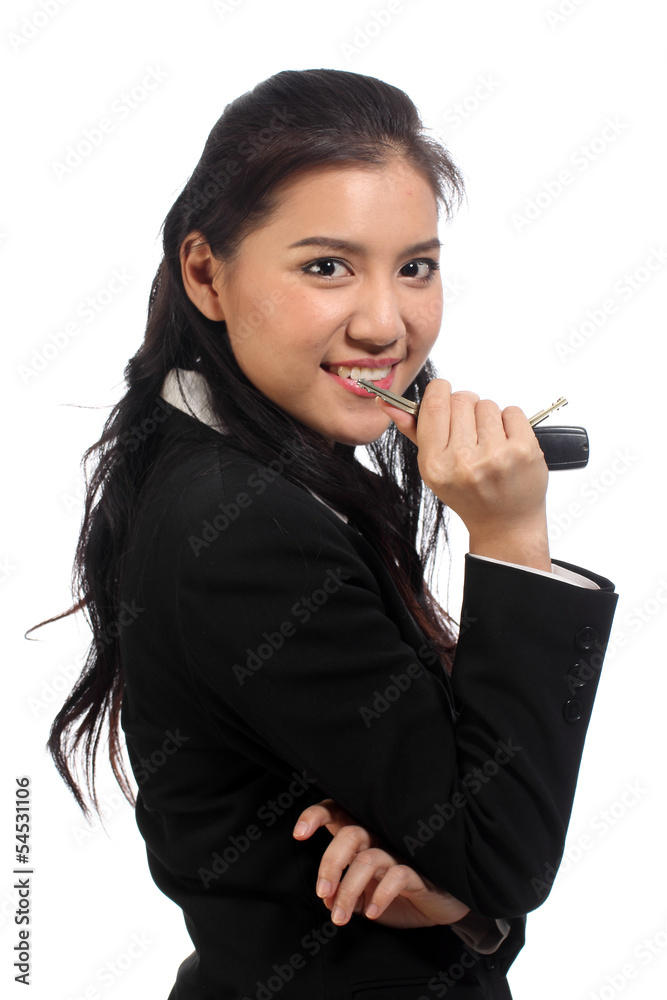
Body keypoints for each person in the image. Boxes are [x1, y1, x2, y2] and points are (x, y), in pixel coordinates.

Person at [36, 68, 618, 999]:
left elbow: (469, 847)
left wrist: (452, 896)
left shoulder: (244, 464)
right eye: (326, 267)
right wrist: (510, 537)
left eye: (415, 267)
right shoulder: (245, 529)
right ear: (206, 274)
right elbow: (503, 854)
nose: (386, 324)